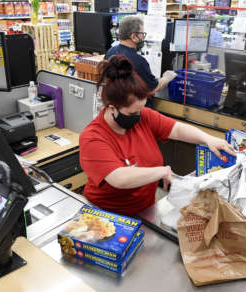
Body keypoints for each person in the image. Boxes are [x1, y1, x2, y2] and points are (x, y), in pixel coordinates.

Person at [79, 55, 235, 217]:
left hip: (145, 211)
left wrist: (208, 139)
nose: (139, 115)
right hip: (107, 217)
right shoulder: (93, 138)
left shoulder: (143, 117)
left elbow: (177, 129)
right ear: (111, 108)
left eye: (141, 109)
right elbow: (119, 178)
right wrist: (162, 171)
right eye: (133, 112)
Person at [105, 16, 177, 97]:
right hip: (135, 107)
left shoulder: (110, 52)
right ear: (134, 37)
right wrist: (166, 78)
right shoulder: (138, 61)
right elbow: (152, 89)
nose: (143, 37)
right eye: (142, 34)